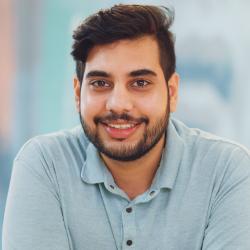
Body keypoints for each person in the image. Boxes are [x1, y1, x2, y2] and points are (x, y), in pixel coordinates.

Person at [2, 4, 250, 250]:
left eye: (140, 83)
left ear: (171, 93)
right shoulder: (45, 165)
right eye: (100, 83)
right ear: (78, 94)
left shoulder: (226, 171)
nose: (118, 105)